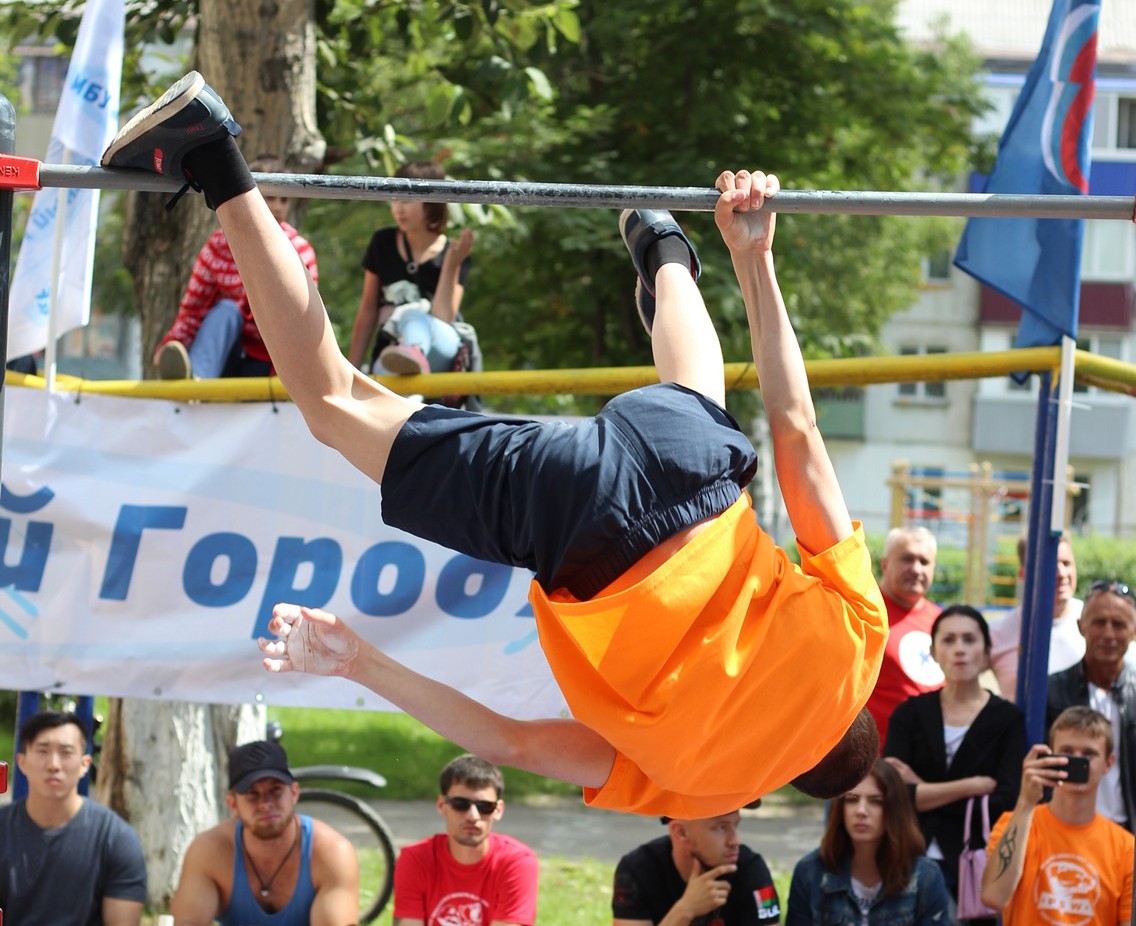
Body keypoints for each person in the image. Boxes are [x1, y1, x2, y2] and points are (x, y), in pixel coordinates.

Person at [101, 73, 888, 818]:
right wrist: (357, 660)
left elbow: (796, 431)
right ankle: (213, 156)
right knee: (334, 403)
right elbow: (504, 742)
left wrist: (756, 258)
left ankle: (667, 254)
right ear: (790, 781)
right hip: (578, 528)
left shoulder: (861, 639)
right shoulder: (708, 792)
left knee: (698, 411)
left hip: (693, 477)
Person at [883, 604, 1026, 922]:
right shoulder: (909, 714)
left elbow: (1005, 799)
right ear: (933, 652)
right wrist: (973, 787)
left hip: (976, 867)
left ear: (987, 652)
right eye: (948, 640)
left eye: (969, 639)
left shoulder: (1008, 719)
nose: (959, 649)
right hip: (909, 858)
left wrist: (922, 790)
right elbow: (894, 795)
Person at [154, 155, 319, 379]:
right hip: (226, 354)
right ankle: (195, 381)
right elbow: (194, 307)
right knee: (227, 311)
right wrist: (174, 342)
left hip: (272, 358)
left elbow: (305, 319)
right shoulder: (219, 246)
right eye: (269, 198)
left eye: (284, 200)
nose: (278, 207)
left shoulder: (299, 251)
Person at [168, 739, 359, 926]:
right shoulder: (209, 851)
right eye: (252, 794)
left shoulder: (331, 852)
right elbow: (188, 921)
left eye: (275, 790)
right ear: (233, 804)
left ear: (294, 793)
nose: (266, 804)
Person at [981, 706, 1134, 924]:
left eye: (1089, 754)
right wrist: (1025, 802)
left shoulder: (1126, 848)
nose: (1076, 760)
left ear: (1109, 763)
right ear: (1052, 756)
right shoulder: (1015, 821)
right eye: (1067, 752)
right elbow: (993, 897)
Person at [0, 710, 147, 926]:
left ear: (85, 764)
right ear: (21, 762)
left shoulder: (117, 839)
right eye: (42, 751)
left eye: (66, 752)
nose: (53, 765)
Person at [347, 161, 474, 375]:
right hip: (391, 348)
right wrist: (351, 370)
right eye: (394, 198)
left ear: (432, 200)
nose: (398, 208)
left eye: (407, 198)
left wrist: (451, 265)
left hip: (440, 347)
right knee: (392, 377)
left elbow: (444, 317)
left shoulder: (454, 251)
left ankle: (413, 349)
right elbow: (368, 310)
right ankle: (408, 362)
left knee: (412, 317)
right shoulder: (382, 242)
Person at [786, 759, 950, 925]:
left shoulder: (926, 876)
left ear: (895, 809)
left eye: (875, 801)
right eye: (852, 799)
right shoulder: (809, 872)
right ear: (839, 808)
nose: (861, 811)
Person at [393, 754, 537, 926]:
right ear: (441, 805)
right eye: (460, 804)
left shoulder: (516, 862)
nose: (473, 816)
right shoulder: (415, 859)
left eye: (485, 806)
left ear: (498, 810)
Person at [1047, 579, 1136, 832]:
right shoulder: (1051, 693)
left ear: (1134, 631)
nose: (1108, 634)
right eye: (1099, 622)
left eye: (1118, 624)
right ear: (1080, 626)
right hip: (1068, 829)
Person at [612, 809, 781, 926]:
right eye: (721, 827)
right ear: (681, 832)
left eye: (735, 825)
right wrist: (685, 910)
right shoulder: (637, 870)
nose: (735, 841)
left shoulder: (751, 869)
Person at [867, 526, 944, 746]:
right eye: (907, 559)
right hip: (874, 761)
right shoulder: (863, 612)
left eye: (924, 562)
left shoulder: (942, 622)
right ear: (884, 565)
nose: (916, 569)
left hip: (926, 759)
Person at [989, 533, 1082, 702]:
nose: (1061, 573)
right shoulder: (998, 633)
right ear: (1024, 574)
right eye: (1051, 565)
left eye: (1067, 563)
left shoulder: (1097, 624)